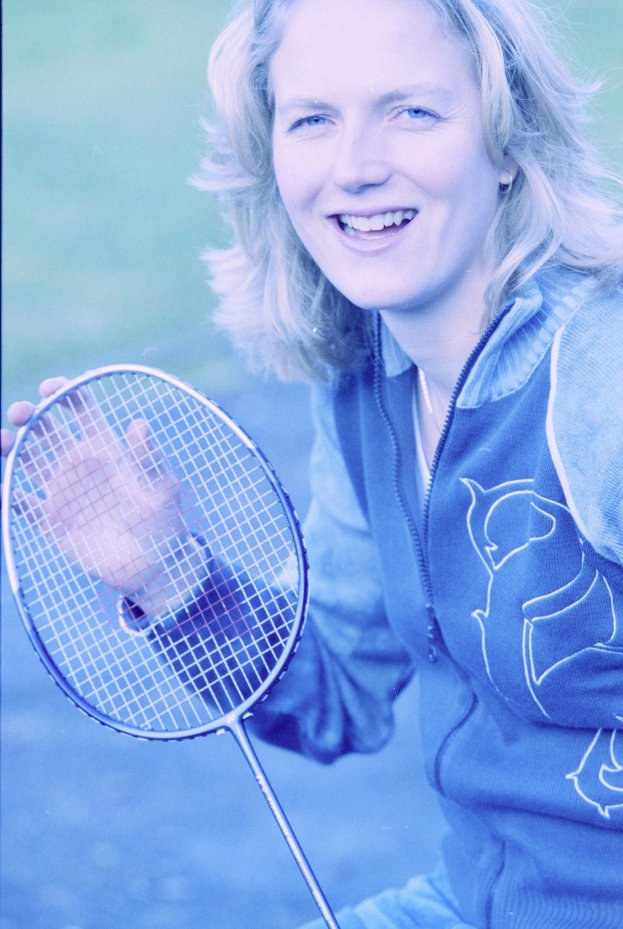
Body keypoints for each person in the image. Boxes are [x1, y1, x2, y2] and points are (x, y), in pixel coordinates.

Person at [3, 0, 623, 926]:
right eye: (313, 119)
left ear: (505, 142)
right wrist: (173, 574)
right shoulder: (363, 376)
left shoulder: (600, 379)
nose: (357, 167)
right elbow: (338, 697)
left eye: (411, 110)